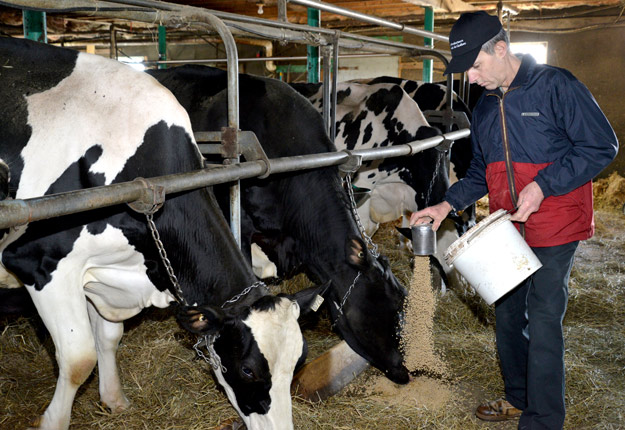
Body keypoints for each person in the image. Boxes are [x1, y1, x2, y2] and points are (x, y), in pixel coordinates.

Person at [410, 11, 619, 430]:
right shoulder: (485, 106)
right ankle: (519, 399)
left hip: (557, 221)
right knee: (506, 311)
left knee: (542, 316)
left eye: (475, 65)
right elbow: (479, 173)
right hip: (509, 225)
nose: (470, 78)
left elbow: (601, 146)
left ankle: (542, 420)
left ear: (500, 48)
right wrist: (444, 206)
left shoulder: (557, 86)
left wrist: (543, 185)